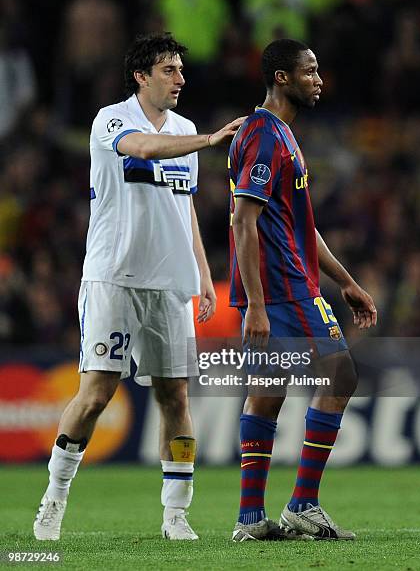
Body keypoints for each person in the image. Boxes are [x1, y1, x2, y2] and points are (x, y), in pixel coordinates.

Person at [33, 32, 245, 542]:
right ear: (142, 76)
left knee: (175, 396)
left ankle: (176, 513)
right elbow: (143, 148)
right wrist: (212, 140)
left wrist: (200, 273)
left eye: (180, 70)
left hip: (169, 284)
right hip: (114, 277)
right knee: (96, 393)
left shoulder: (185, 127)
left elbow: (185, 204)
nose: (180, 78)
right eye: (169, 69)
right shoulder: (112, 118)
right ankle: (54, 499)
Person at [228, 38, 377, 541]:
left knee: (267, 394)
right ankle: (303, 504)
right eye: (310, 70)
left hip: (287, 282)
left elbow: (298, 226)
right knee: (342, 377)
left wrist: (347, 282)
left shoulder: (281, 136)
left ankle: (251, 520)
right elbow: (243, 221)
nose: (320, 78)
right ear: (282, 78)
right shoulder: (264, 136)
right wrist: (255, 305)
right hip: (283, 287)